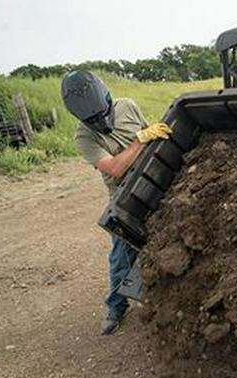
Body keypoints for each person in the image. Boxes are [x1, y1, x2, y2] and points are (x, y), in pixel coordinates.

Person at [61, 70, 172, 335]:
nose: (99, 122)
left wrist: (154, 136)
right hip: (125, 196)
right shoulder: (84, 137)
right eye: (92, 120)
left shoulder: (128, 107)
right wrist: (139, 140)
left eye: (101, 115)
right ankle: (116, 307)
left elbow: (153, 136)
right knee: (121, 255)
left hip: (155, 178)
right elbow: (114, 168)